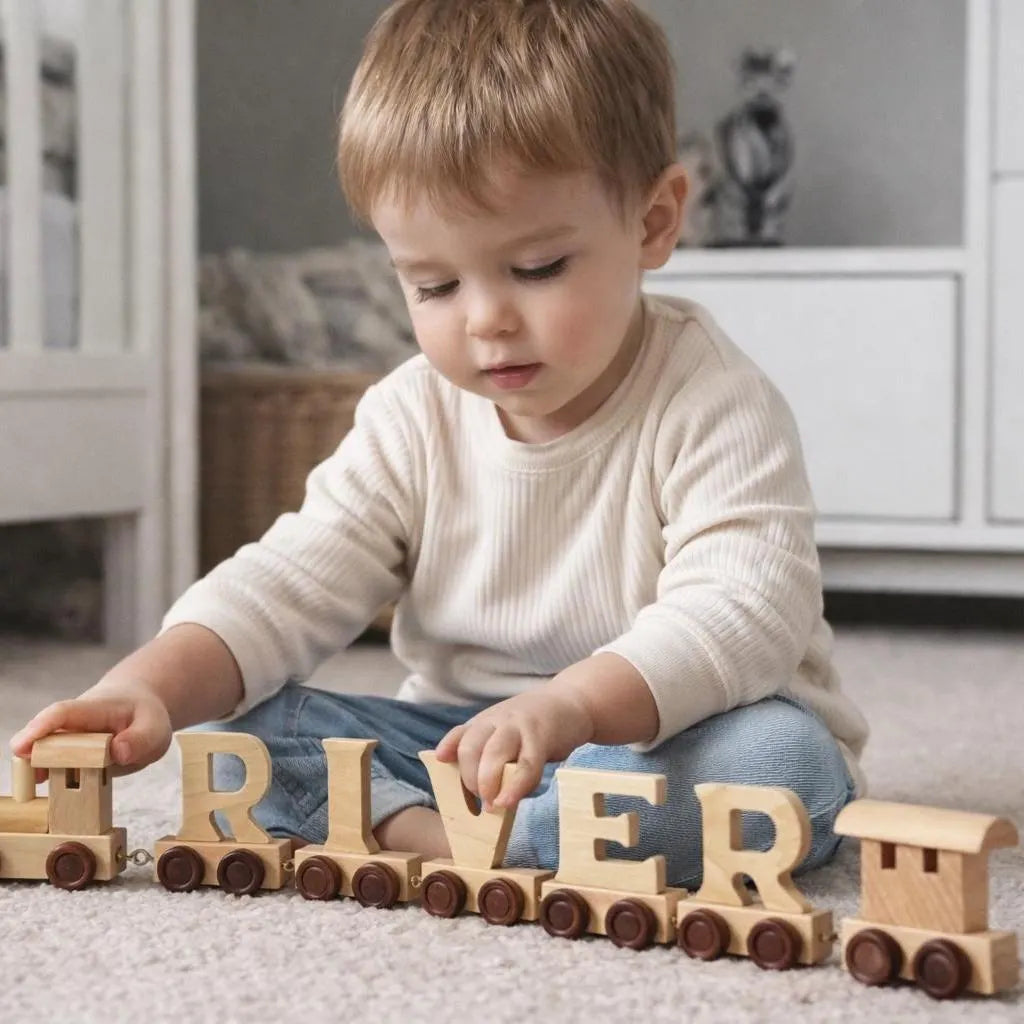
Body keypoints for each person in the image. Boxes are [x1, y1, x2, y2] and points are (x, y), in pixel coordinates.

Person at [10, 0, 868, 887]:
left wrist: (570, 706)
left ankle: (449, 842)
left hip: (669, 732)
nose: (488, 319)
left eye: (538, 269)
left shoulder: (714, 401)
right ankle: (467, 838)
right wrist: (145, 686)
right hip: (459, 746)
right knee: (233, 738)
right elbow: (290, 580)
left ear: (654, 222)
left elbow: (743, 614)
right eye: (434, 284)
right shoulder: (408, 417)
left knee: (778, 766)